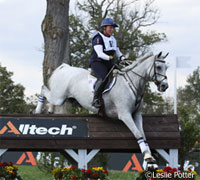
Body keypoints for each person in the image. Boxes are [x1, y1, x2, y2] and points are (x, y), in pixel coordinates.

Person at [89, 18, 126, 108]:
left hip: (108, 62)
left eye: (113, 28)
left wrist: (123, 58)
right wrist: (110, 57)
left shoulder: (113, 39)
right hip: (97, 62)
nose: (112, 30)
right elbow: (100, 54)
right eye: (110, 28)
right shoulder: (98, 38)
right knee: (103, 78)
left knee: (123, 75)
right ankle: (96, 99)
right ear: (104, 28)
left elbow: (117, 51)